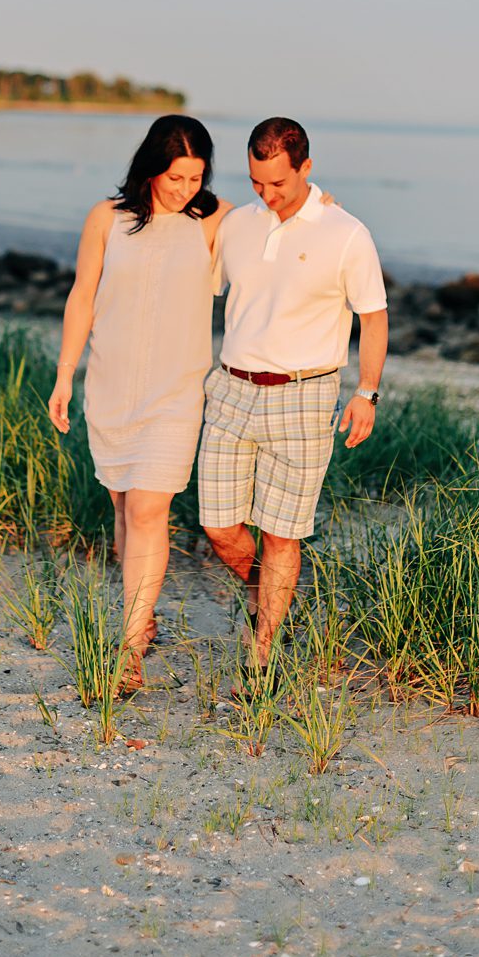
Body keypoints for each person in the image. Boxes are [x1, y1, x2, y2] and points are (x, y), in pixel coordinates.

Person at [47, 115, 232, 691]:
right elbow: (83, 295)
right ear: (152, 168)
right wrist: (63, 376)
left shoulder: (215, 220)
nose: (185, 190)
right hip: (111, 383)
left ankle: (128, 650)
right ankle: (142, 617)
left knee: (151, 510)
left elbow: (282, 228)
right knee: (126, 507)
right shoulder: (107, 218)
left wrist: (321, 209)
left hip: (177, 391)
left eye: (196, 178)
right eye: (176, 177)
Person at [198, 116, 389, 668]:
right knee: (218, 525)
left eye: (279, 183)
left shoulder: (346, 233)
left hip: (305, 395)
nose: (267, 194)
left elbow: (373, 319)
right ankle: (273, 601)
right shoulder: (238, 225)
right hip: (231, 389)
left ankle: (262, 660)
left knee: (283, 535)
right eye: (257, 182)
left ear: (306, 167)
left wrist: (367, 392)